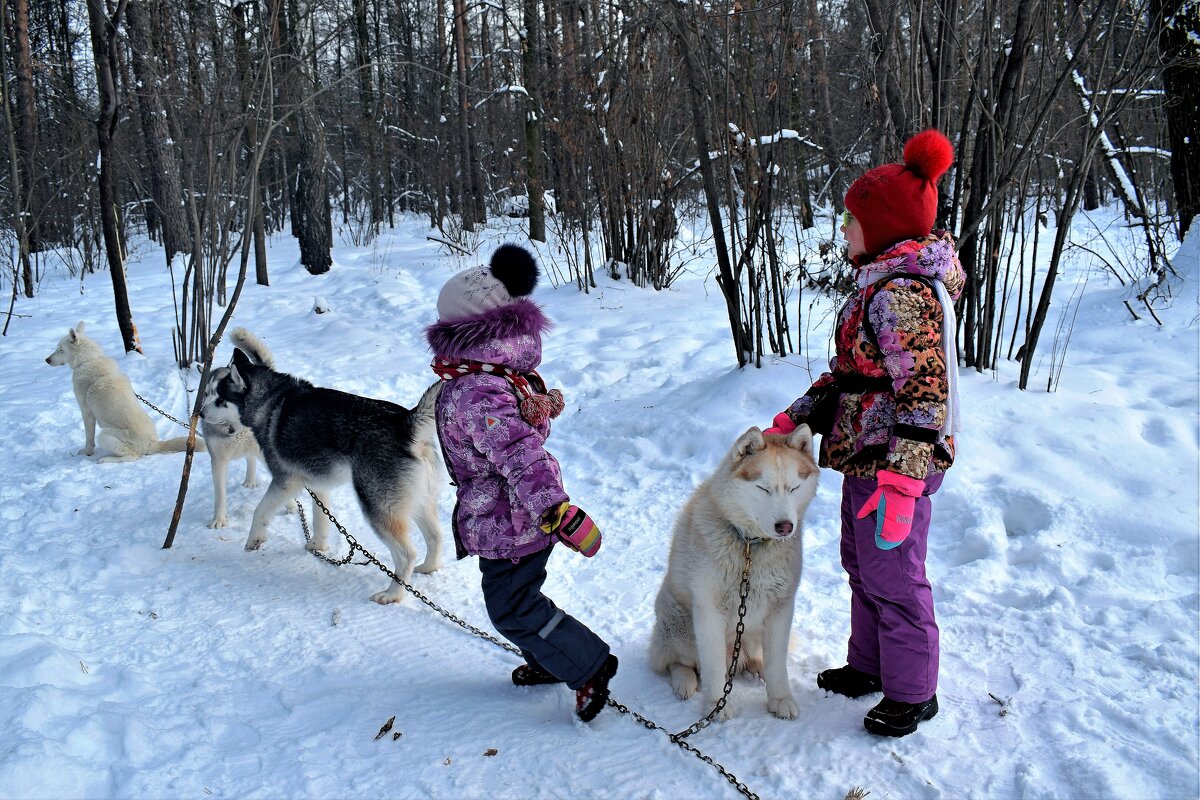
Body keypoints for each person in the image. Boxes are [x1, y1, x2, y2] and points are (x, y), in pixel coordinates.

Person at [765, 129, 965, 737]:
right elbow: (852, 377)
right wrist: (800, 415)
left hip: (895, 464)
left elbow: (926, 393)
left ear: (881, 227)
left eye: (850, 218)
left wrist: (905, 480)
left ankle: (912, 691)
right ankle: (869, 664)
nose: (843, 228)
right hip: (864, 455)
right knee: (864, 564)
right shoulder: (878, 287)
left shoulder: (900, 296)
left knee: (895, 573)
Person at [425, 243, 617, 723]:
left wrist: (556, 510)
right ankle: (549, 657)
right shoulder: (496, 374)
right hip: (507, 515)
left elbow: (519, 453)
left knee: (512, 608)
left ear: (460, 332)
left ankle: (587, 664)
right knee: (518, 599)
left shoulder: (476, 388)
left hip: (514, 519)